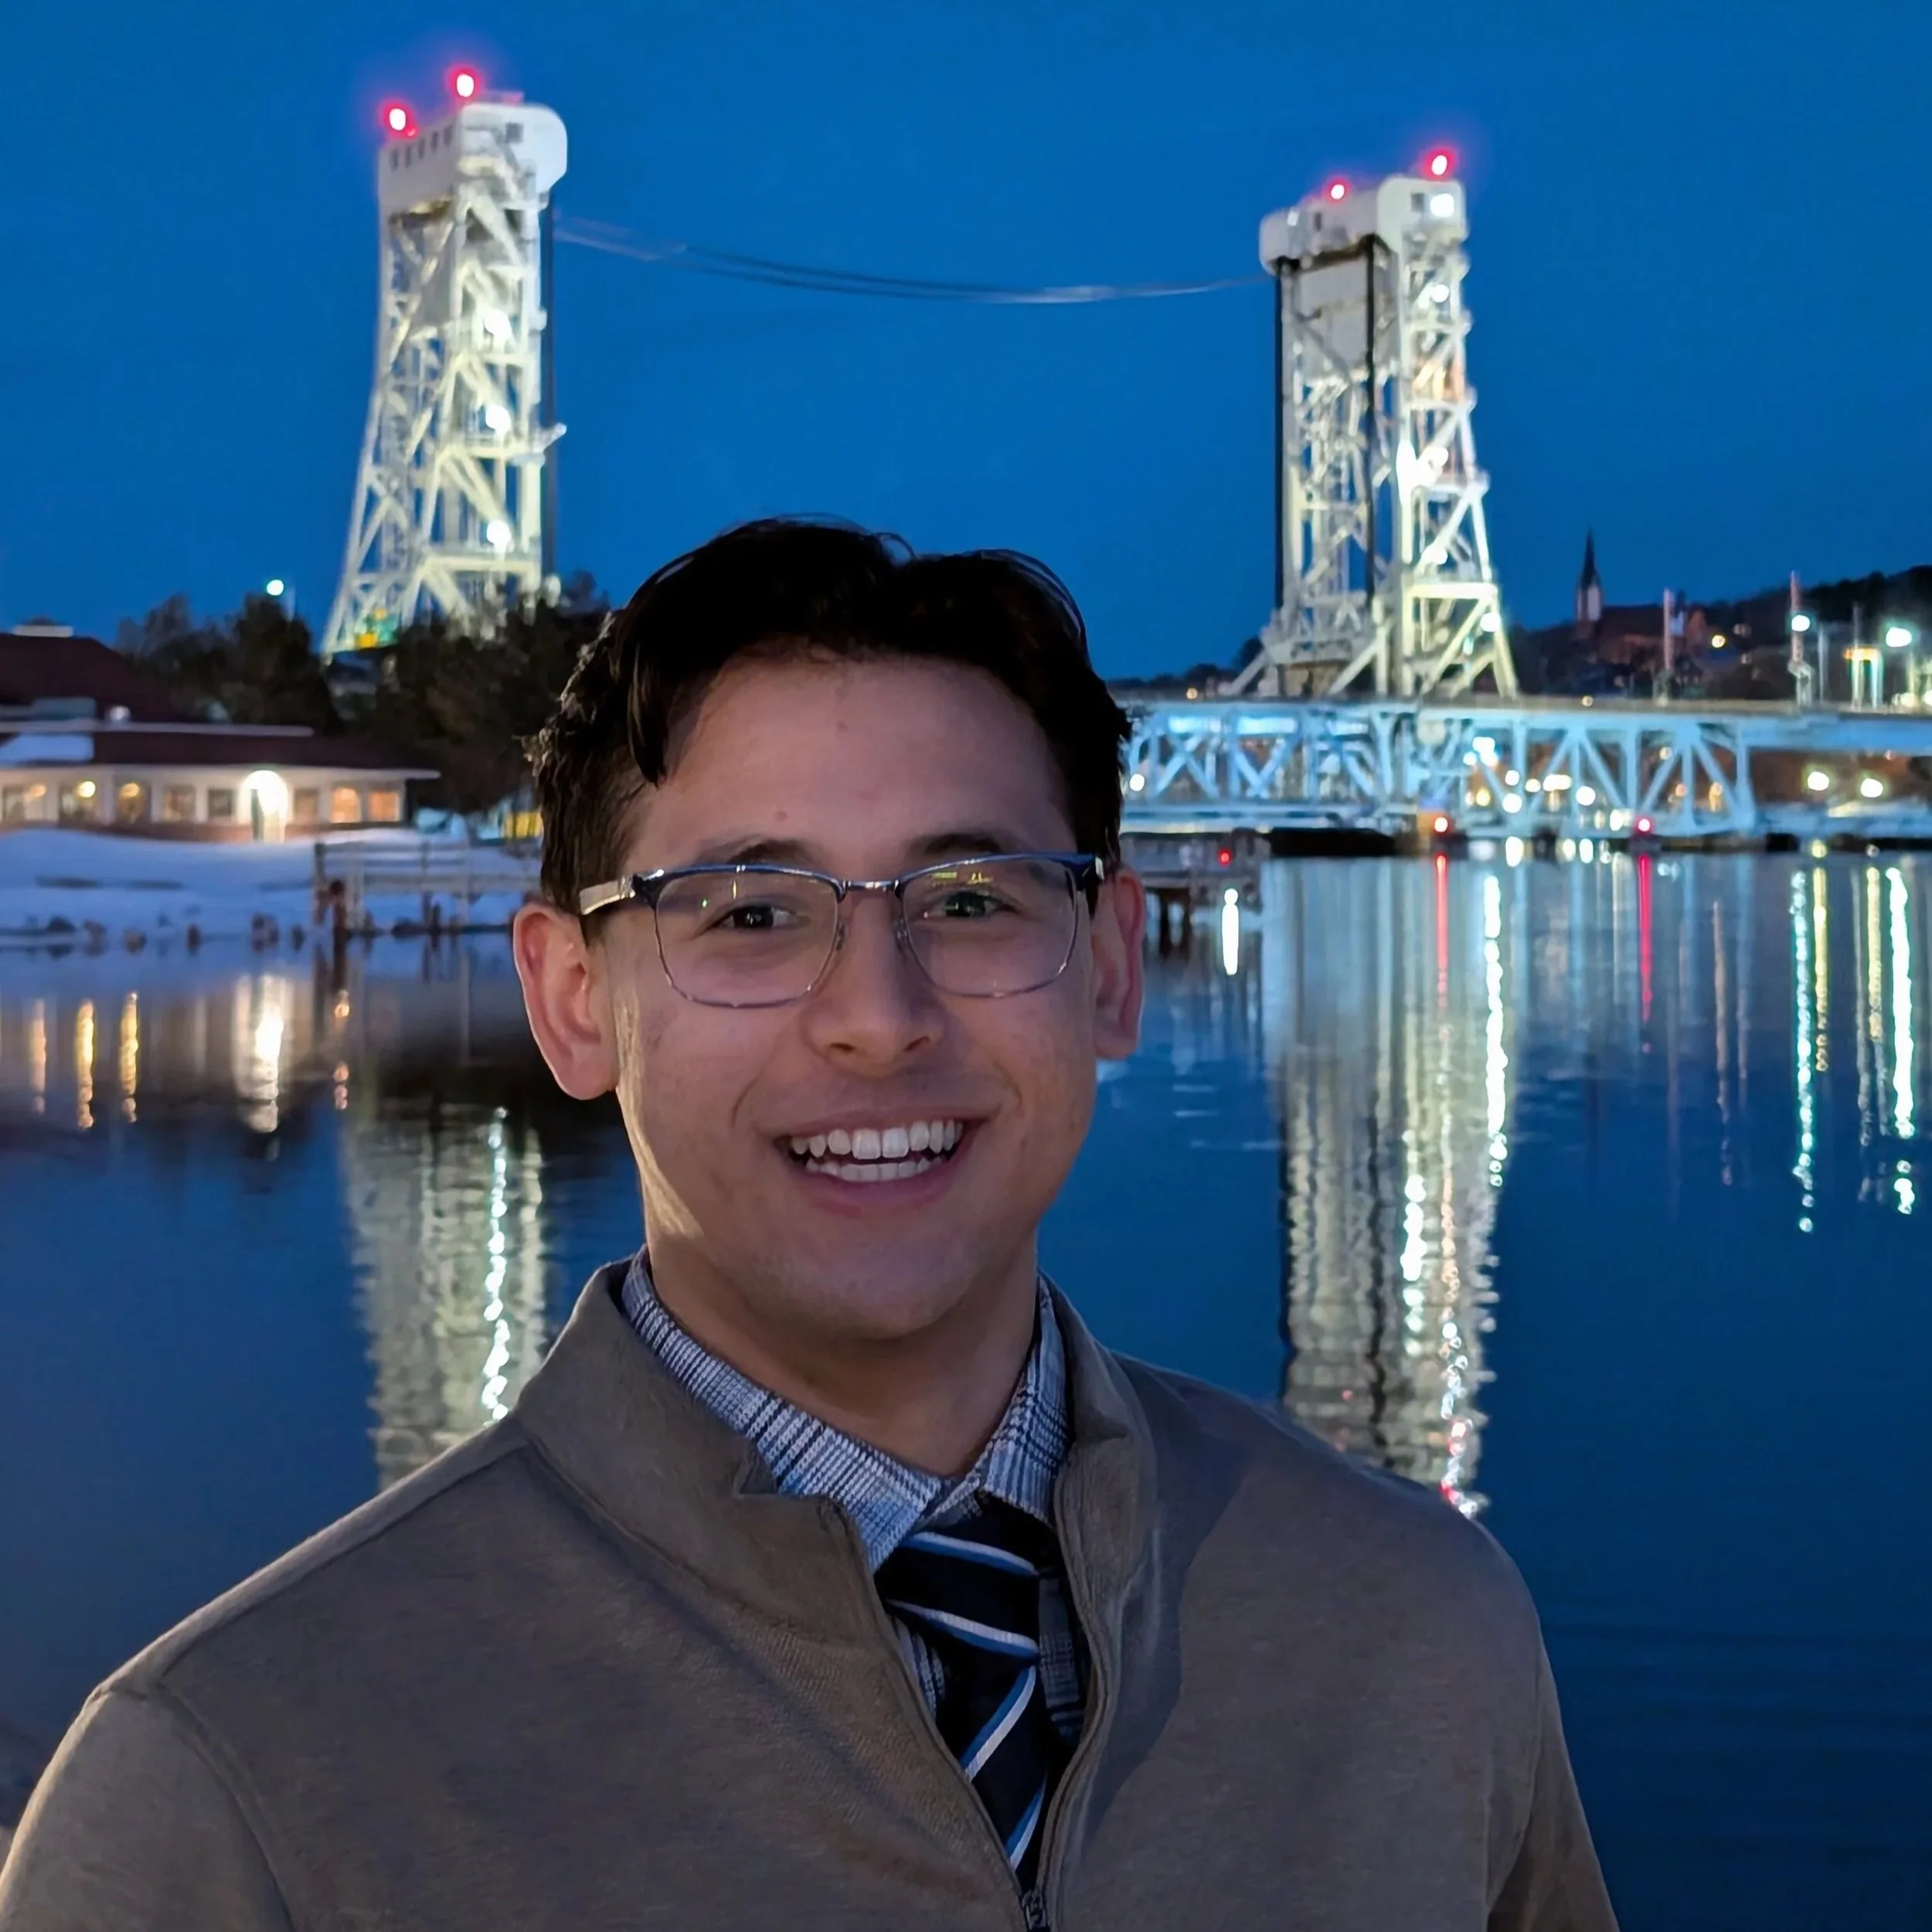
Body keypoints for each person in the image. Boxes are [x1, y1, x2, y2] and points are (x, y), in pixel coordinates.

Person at [0, 520, 1617, 1930]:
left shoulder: (1419, 1627)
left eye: (971, 900)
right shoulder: (221, 1793)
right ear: (572, 1000)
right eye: (752, 913)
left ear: (1113, 964)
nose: (876, 1017)